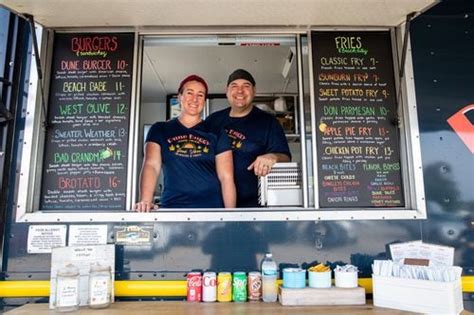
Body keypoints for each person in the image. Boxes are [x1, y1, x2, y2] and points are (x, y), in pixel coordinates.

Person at [134, 75, 236, 212]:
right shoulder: (160, 130)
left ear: (204, 101)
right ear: (179, 97)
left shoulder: (216, 132)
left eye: (200, 95)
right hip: (173, 209)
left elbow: (226, 177)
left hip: (211, 211)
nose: (195, 99)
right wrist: (145, 200)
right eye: (189, 93)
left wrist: (231, 215)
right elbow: (151, 165)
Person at [206, 69, 291, 207]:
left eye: (246, 86)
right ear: (227, 91)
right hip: (214, 204)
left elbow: (285, 157)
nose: (240, 91)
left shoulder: (268, 122)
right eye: (234, 86)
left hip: (255, 207)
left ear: (254, 91)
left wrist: (272, 156)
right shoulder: (212, 121)